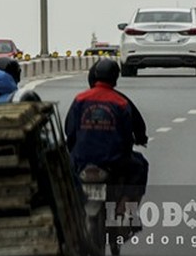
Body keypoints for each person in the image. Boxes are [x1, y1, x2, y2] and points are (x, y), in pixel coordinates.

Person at [64, 58, 149, 201]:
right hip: (113, 162)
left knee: (64, 177)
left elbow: (69, 131)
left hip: (81, 160)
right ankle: (126, 207)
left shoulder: (80, 99)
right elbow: (127, 136)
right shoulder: (121, 102)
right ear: (115, 78)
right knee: (140, 166)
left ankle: (71, 207)